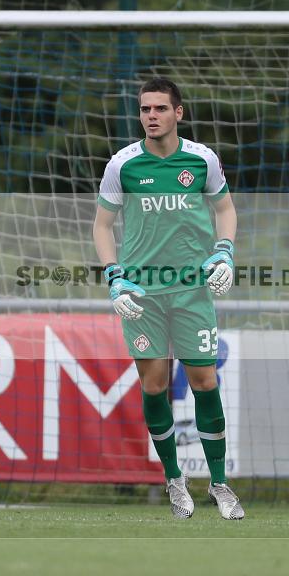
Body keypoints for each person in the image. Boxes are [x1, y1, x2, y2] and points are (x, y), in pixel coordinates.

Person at [93, 77, 243, 520]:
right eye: (145, 109)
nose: (151, 116)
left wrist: (224, 252)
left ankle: (219, 484)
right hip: (143, 295)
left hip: (192, 290)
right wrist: (114, 277)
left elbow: (225, 209)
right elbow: (102, 226)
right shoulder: (122, 165)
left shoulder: (201, 159)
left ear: (178, 112)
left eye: (160, 108)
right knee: (155, 386)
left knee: (205, 382)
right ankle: (175, 480)